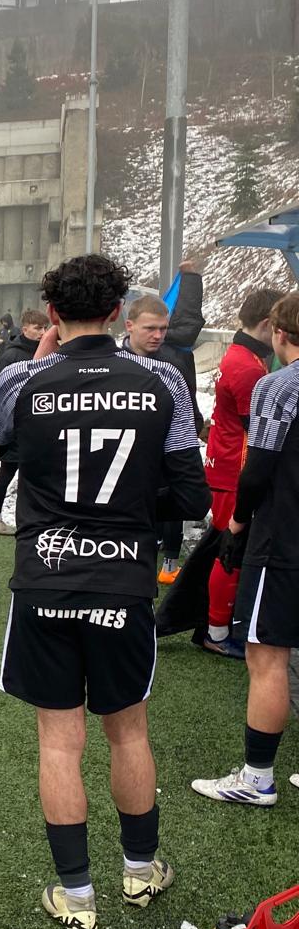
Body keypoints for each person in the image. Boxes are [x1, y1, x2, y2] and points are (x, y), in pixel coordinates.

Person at [0, 253, 210, 929]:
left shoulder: (23, 378)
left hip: (46, 577)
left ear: (52, 313)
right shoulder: (161, 379)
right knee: (128, 730)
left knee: (59, 742)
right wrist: (131, 508)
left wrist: (34, 369)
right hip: (122, 581)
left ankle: (76, 895)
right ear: (117, 312)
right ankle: (140, 869)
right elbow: (192, 496)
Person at [193, 292, 299, 807]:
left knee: (267, 656)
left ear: (278, 333)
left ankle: (257, 778)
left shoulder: (278, 386)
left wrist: (236, 523)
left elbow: (258, 470)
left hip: (284, 537)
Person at [202, 287, 284, 657]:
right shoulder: (248, 367)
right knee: (229, 552)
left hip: (227, 465)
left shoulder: (240, 355)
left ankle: (218, 626)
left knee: (228, 549)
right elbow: (259, 431)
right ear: (268, 325)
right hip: (233, 471)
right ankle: (217, 633)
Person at [121, 262, 206, 582]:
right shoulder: (114, 364)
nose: (158, 335)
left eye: (163, 329)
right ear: (129, 326)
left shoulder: (174, 363)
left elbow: (189, 319)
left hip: (166, 452)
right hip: (127, 457)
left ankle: (169, 561)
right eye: (150, 329)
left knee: (169, 497)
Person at [0, 309, 48, 535]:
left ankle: (32, 520)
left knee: (34, 476)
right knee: (7, 471)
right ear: (25, 329)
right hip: (15, 427)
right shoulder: (11, 355)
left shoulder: (49, 352)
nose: (42, 332)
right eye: (37, 328)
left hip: (39, 427)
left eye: (45, 328)